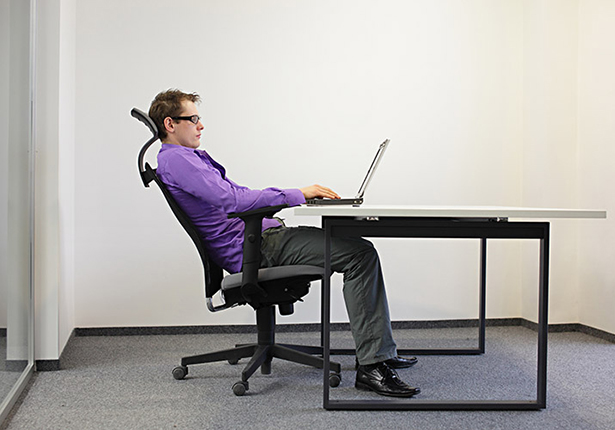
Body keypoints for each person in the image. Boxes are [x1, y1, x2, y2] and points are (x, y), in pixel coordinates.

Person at [148, 89, 420, 397]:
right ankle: (372, 366)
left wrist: (293, 196)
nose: (200, 125)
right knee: (360, 254)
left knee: (356, 249)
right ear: (170, 124)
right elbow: (233, 201)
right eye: (193, 118)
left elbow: (239, 193)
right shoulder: (177, 160)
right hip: (258, 247)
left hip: (260, 240)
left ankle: (380, 352)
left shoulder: (187, 158)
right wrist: (298, 194)